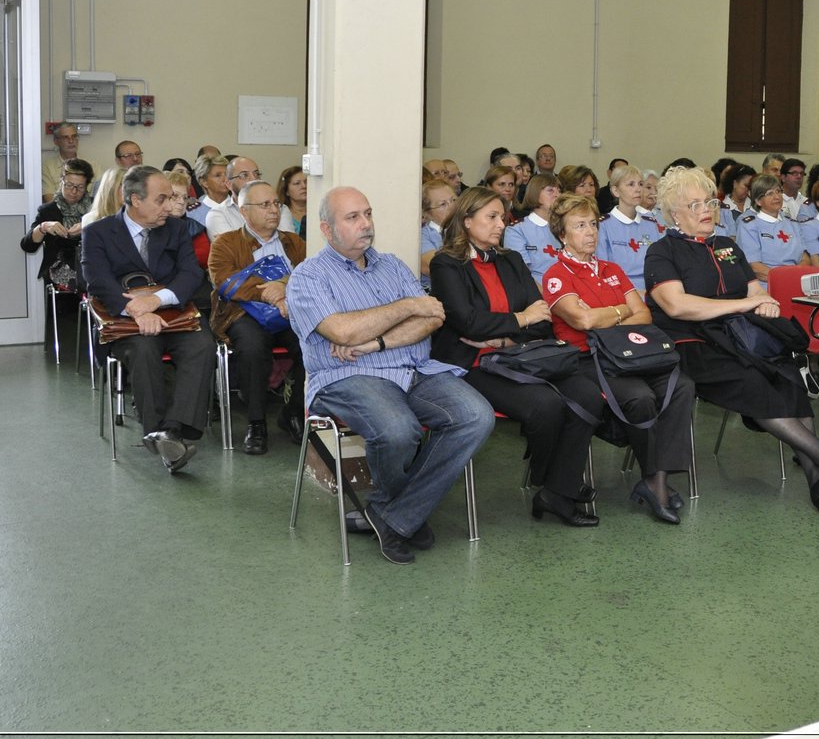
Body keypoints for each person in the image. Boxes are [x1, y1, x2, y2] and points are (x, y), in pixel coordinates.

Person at [286, 187, 495, 565]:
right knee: (399, 430)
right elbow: (342, 332)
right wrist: (407, 306)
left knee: (475, 417)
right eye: (353, 218)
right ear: (326, 229)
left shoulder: (394, 265)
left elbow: (432, 318)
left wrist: (376, 342)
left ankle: (393, 515)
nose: (366, 224)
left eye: (367, 213)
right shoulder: (309, 277)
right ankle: (405, 516)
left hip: (412, 369)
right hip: (346, 375)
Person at [645, 166, 819, 513]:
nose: (706, 210)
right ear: (675, 214)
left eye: (708, 202)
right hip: (692, 344)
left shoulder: (726, 246)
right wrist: (745, 303)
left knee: (788, 372)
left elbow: (755, 291)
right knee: (753, 379)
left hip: (737, 337)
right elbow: (676, 306)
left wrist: (765, 303)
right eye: (694, 205)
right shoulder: (662, 251)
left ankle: (816, 475)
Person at [430, 188, 602, 528]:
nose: (500, 224)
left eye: (502, 217)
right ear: (467, 222)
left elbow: (542, 318)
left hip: (522, 355)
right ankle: (556, 486)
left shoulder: (510, 260)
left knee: (588, 396)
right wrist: (520, 318)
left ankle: (555, 488)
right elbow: (467, 323)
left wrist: (507, 334)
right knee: (545, 406)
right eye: (491, 217)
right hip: (472, 364)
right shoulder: (446, 263)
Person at [542, 194, 696, 524]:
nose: (590, 232)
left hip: (632, 354)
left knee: (682, 386)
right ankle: (656, 483)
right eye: (579, 226)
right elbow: (581, 323)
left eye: (593, 224)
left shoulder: (612, 269)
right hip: (588, 358)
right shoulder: (556, 275)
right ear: (562, 235)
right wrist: (622, 310)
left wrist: (608, 315)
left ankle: (656, 480)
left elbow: (644, 315)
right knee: (640, 397)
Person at [79, 165, 216, 473]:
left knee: (202, 344)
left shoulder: (176, 228)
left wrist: (155, 300)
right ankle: (160, 432)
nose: (169, 206)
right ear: (134, 200)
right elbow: (97, 281)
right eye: (161, 199)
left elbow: (191, 273)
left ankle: (170, 430)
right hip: (126, 322)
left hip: (172, 314)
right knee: (143, 350)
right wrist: (135, 312)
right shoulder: (98, 232)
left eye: (170, 198)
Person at [208, 180, 308, 455]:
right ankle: (256, 422)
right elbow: (225, 282)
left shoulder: (294, 242)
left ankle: (293, 413)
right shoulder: (226, 243)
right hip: (243, 312)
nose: (273, 210)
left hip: (289, 310)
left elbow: (310, 275)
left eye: (276, 203)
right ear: (244, 212)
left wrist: (285, 287)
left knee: (312, 343)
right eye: (264, 205)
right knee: (252, 348)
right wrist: (270, 293)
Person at [21, 158, 93, 289]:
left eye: (80, 187)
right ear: (61, 182)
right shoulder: (48, 210)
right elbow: (28, 246)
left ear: (87, 186)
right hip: (57, 278)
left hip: (92, 273)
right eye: (69, 185)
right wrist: (43, 227)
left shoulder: (96, 209)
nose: (74, 191)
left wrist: (89, 226)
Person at [596, 164, 664, 293]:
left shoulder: (651, 224)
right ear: (616, 191)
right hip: (619, 292)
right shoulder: (603, 226)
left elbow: (659, 264)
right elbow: (602, 271)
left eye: (640, 184)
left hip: (653, 291)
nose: (638, 189)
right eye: (631, 184)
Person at [737, 173, 803, 280]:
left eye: (778, 191)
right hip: (768, 285)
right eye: (770, 193)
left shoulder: (792, 223)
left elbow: (804, 257)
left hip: (795, 280)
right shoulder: (749, 226)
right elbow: (754, 267)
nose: (776, 197)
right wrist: (786, 279)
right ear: (758, 201)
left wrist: (797, 277)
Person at [502, 174, 562, 286]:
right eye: (550, 190)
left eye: (559, 190)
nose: (557, 195)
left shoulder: (565, 226)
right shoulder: (516, 230)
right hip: (539, 294)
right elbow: (522, 274)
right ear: (535, 193)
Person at [205, 156, 262, 238]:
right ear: (229, 184)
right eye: (244, 175)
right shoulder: (218, 214)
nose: (254, 179)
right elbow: (231, 250)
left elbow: (285, 245)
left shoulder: (278, 208)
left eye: (256, 174)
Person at [419, 178, 458, 291]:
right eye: (443, 204)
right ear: (427, 213)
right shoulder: (423, 236)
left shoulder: (468, 227)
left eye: (454, 200)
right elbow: (434, 268)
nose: (452, 207)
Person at [41, 123, 86, 197]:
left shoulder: (92, 166)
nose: (71, 141)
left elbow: (101, 197)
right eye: (65, 137)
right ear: (56, 141)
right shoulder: (47, 167)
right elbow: (49, 199)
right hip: (58, 208)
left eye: (74, 136)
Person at [188, 154, 228, 226]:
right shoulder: (193, 213)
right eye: (218, 175)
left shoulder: (241, 206)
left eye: (227, 174)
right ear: (204, 182)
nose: (225, 179)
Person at [277, 165, 308, 237]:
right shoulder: (281, 214)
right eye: (297, 183)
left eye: (306, 182)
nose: (304, 186)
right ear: (286, 190)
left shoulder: (317, 212)